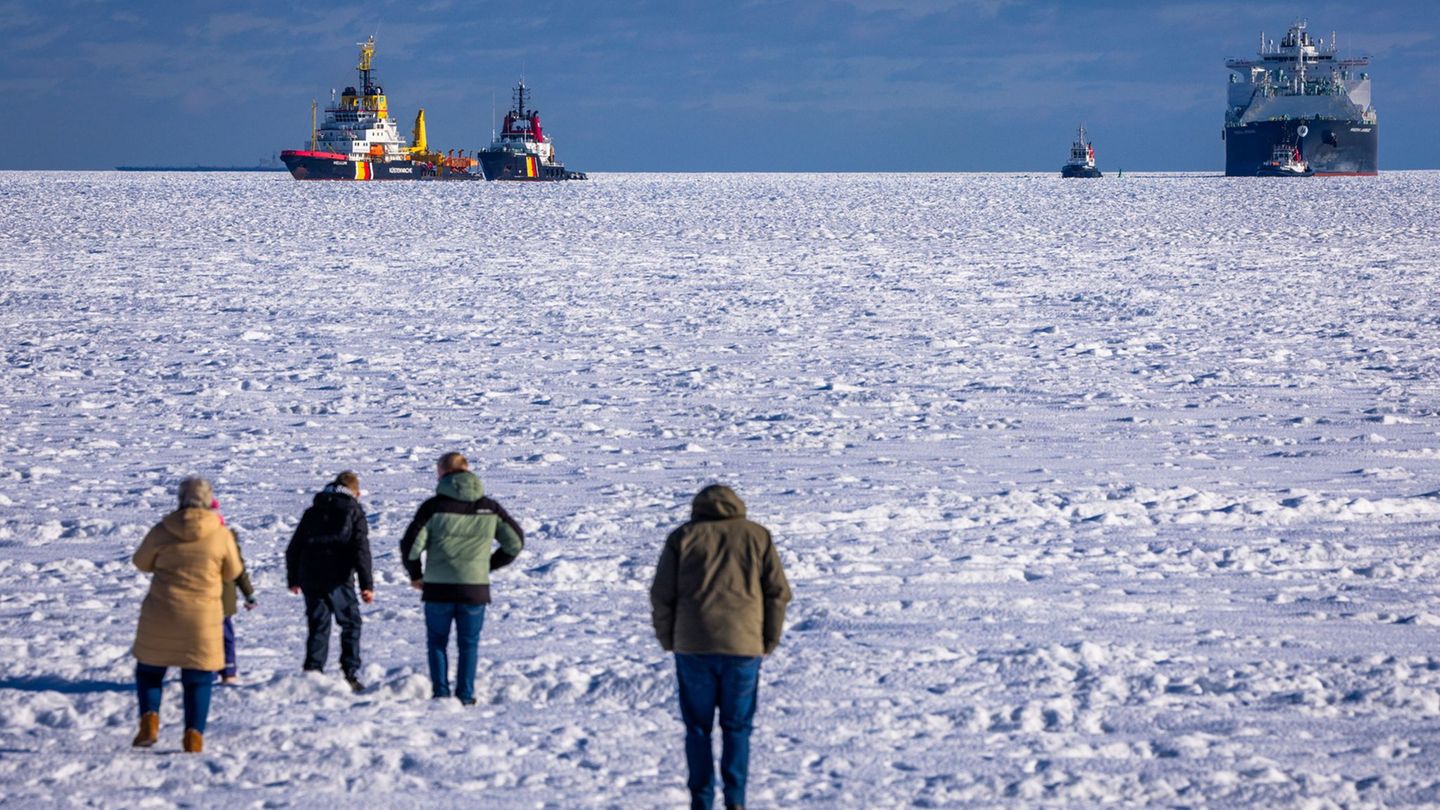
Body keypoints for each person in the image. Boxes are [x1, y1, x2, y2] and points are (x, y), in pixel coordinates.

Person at [650, 484, 792, 810]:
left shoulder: (683, 537)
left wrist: (668, 638)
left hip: (692, 647)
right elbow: (778, 593)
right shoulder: (757, 536)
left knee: (698, 728)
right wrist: (768, 639)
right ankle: (736, 801)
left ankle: (701, 802)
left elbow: (661, 594)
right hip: (744, 647)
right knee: (737, 727)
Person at [400, 452, 523, 705]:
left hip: (437, 588)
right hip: (474, 588)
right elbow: (515, 542)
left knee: (437, 642)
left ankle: (441, 694)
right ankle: (465, 696)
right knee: (469, 645)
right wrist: (486, 566)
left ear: (442, 473)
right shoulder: (490, 507)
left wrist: (415, 574)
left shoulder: (433, 507)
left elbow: (410, 546)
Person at [131, 477, 242, 754]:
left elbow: (141, 562)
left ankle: (150, 720)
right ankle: (193, 737)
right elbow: (233, 572)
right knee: (198, 678)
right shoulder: (220, 533)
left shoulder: (163, 528)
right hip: (201, 619)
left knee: (150, 671)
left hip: (162, 612)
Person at [285, 471, 374, 693]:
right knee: (351, 623)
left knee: (318, 624)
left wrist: (293, 578)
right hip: (339, 578)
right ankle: (349, 672)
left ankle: (313, 672)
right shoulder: (354, 510)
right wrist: (366, 585)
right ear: (355, 492)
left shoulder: (313, 510)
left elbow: (294, 547)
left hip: (310, 576)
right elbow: (361, 549)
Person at [210, 497, 256, 685]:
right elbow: (239, 571)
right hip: (222, 600)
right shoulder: (226, 539)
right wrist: (249, 593)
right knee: (224, 637)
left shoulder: (192, 540)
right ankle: (228, 671)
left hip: (208, 600)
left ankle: (213, 672)